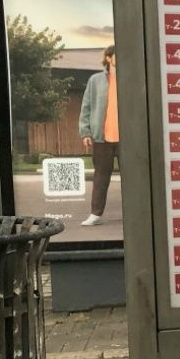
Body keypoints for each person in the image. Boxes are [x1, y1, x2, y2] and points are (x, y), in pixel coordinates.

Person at [77, 46, 119, 227]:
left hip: (128, 139)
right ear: (109, 58)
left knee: (134, 179)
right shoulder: (95, 80)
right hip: (102, 137)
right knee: (101, 177)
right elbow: (86, 107)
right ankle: (95, 214)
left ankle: (138, 215)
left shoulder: (131, 79)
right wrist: (85, 131)